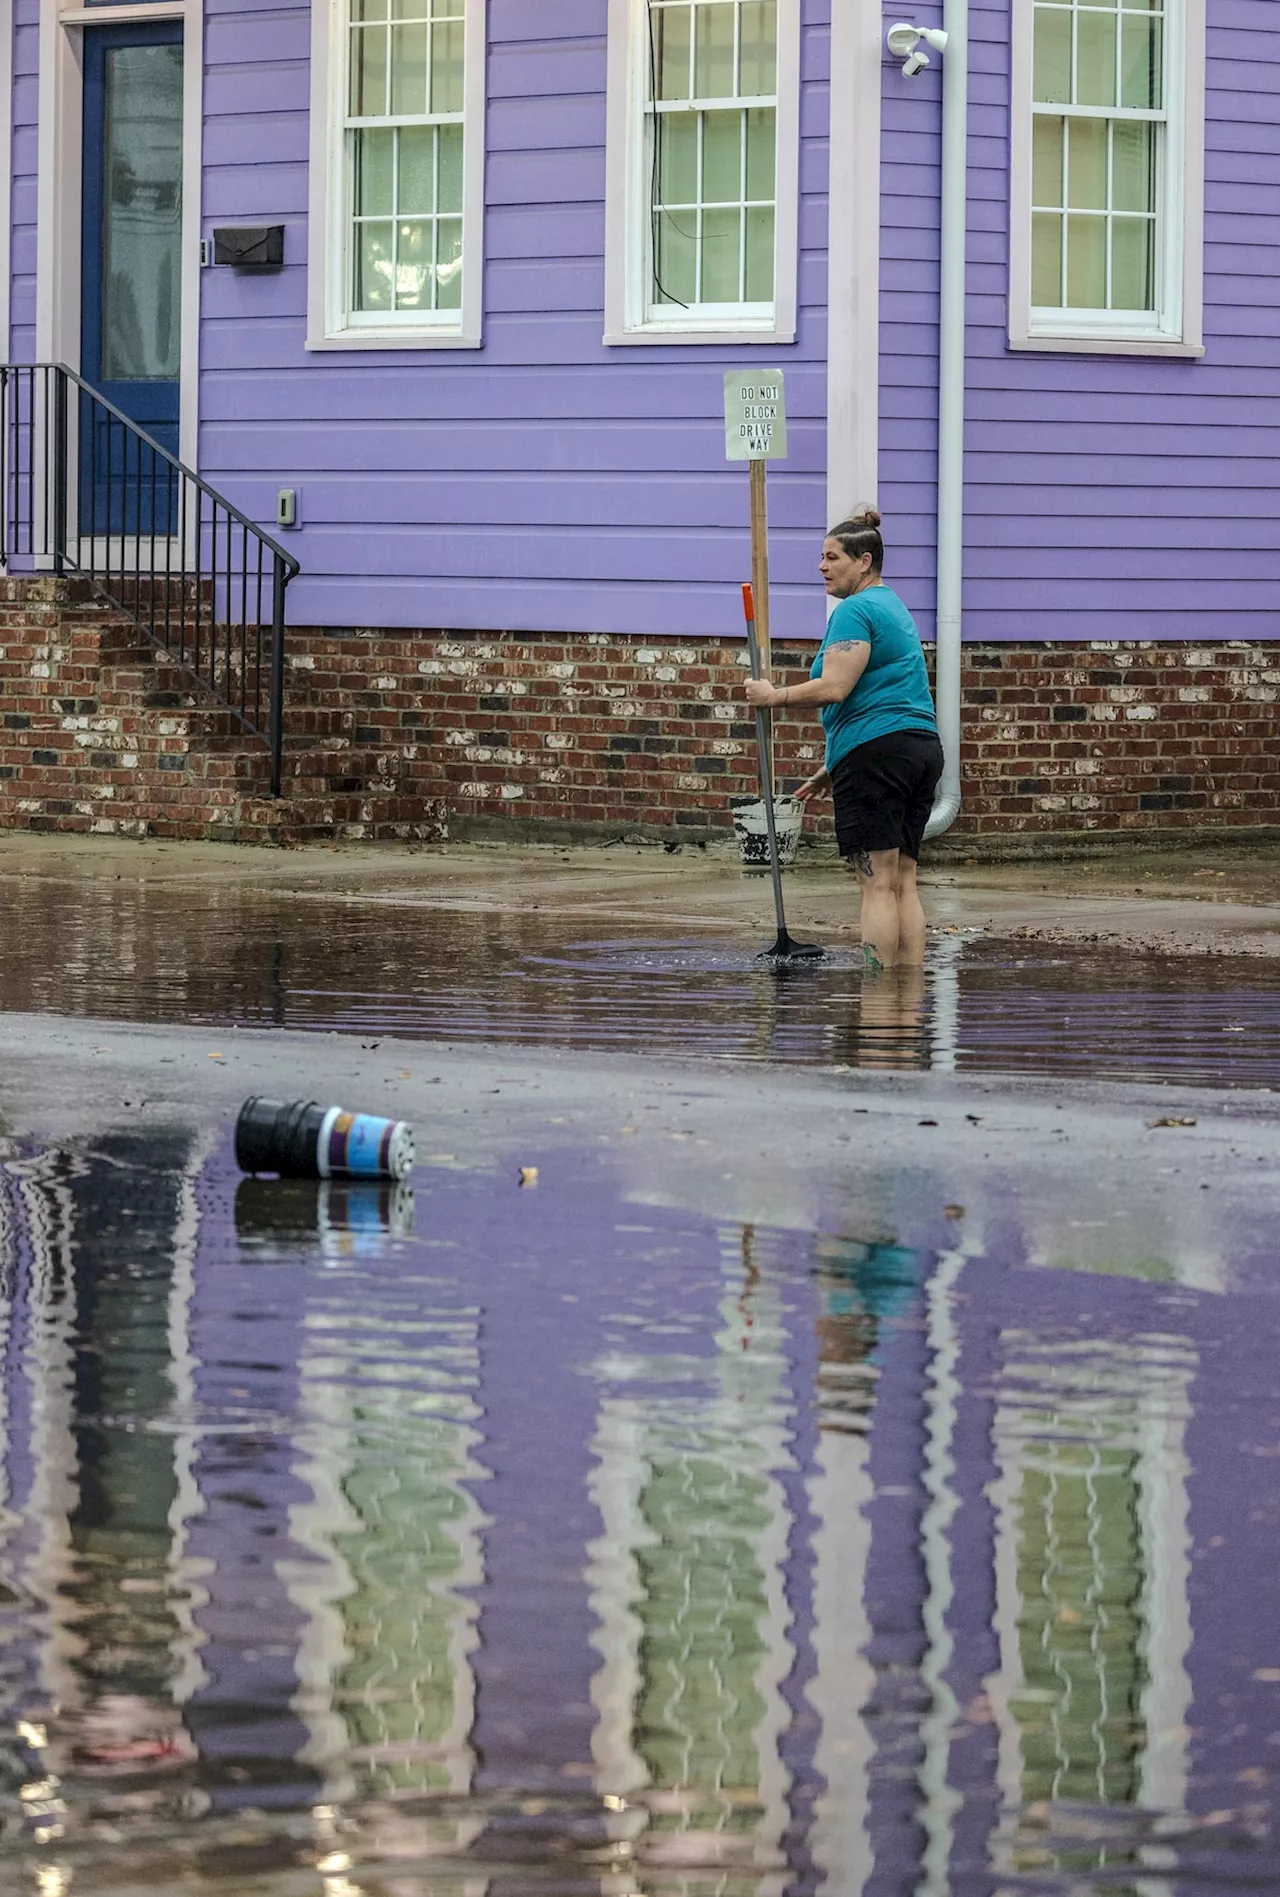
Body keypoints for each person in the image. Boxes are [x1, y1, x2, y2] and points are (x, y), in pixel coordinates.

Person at [744, 506, 943, 971]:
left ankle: (878, 1000)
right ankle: (905, 996)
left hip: (877, 753)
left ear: (864, 562)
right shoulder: (892, 606)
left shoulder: (855, 610)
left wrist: (774, 696)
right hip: (919, 750)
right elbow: (886, 694)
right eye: (822, 556)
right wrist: (835, 765)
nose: (822, 566)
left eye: (832, 557)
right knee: (903, 882)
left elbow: (836, 687)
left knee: (876, 885)